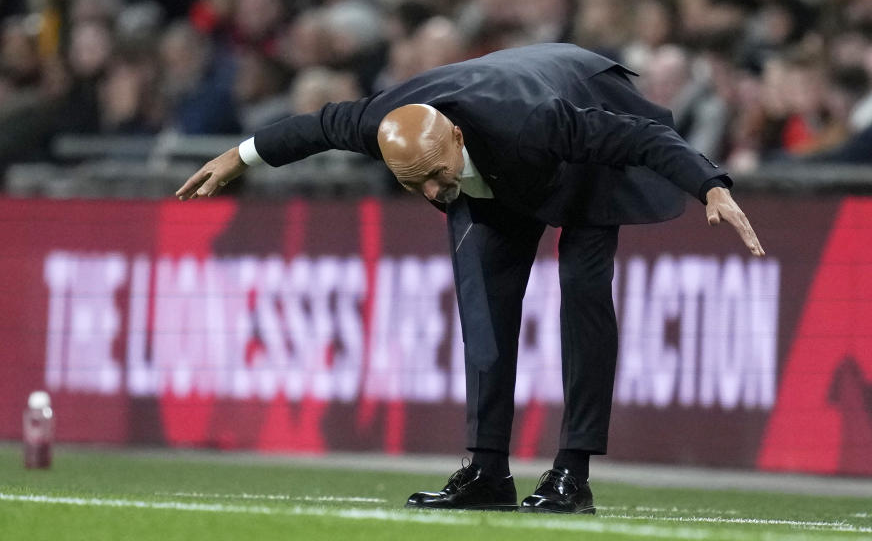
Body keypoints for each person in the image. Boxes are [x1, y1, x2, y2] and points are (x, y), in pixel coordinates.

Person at [176, 43, 764, 514]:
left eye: (435, 176)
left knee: (583, 296)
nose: (433, 192)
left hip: (582, 127)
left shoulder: (534, 124)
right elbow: (318, 126)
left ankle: (572, 473)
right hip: (499, 170)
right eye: (415, 184)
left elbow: (643, 138)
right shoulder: (389, 126)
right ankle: (487, 471)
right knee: (485, 304)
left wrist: (710, 186)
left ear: (454, 139)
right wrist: (240, 155)